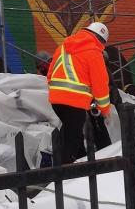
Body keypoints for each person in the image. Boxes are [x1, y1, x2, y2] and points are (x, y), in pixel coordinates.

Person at [47, 22, 111, 163]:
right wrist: (105, 109)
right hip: (75, 102)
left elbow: (50, 74)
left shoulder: (62, 47)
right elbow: (100, 84)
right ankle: (65, 172)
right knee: (72, 137)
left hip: (56, 100)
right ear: (101, 41)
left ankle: (78, 159)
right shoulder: (94, 52)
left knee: (71, 131)